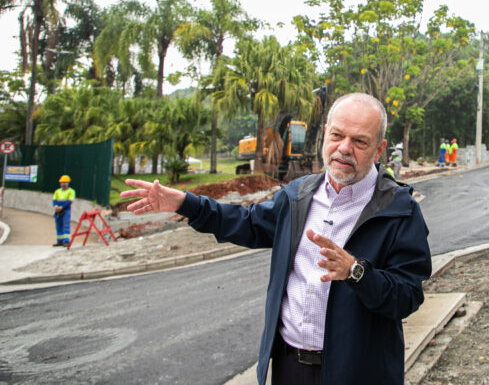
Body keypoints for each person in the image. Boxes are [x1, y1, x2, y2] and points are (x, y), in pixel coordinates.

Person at [121, 93, 431, 385]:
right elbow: (247, 223)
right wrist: (186, 204)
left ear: (379, 149)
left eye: (360, 141)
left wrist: (355, 272)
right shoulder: (298, 195)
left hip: (358, 372)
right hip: (289, 367)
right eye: (337, 135)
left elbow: (407, 296)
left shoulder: (399, 211)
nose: (344, 148)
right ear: (325, 134)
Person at [52, 175, 76, 247]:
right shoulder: (57, 191)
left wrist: (61, 207)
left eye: (63, 182)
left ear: (67, 183)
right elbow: (54, 200)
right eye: (61, 182)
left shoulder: (71, 191)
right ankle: (59, 241)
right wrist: (56, 207)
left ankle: (66, 241)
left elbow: (69, 201)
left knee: (66, 226)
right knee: (58, 226)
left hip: (66, 211)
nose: (61, 184)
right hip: (58, 211)